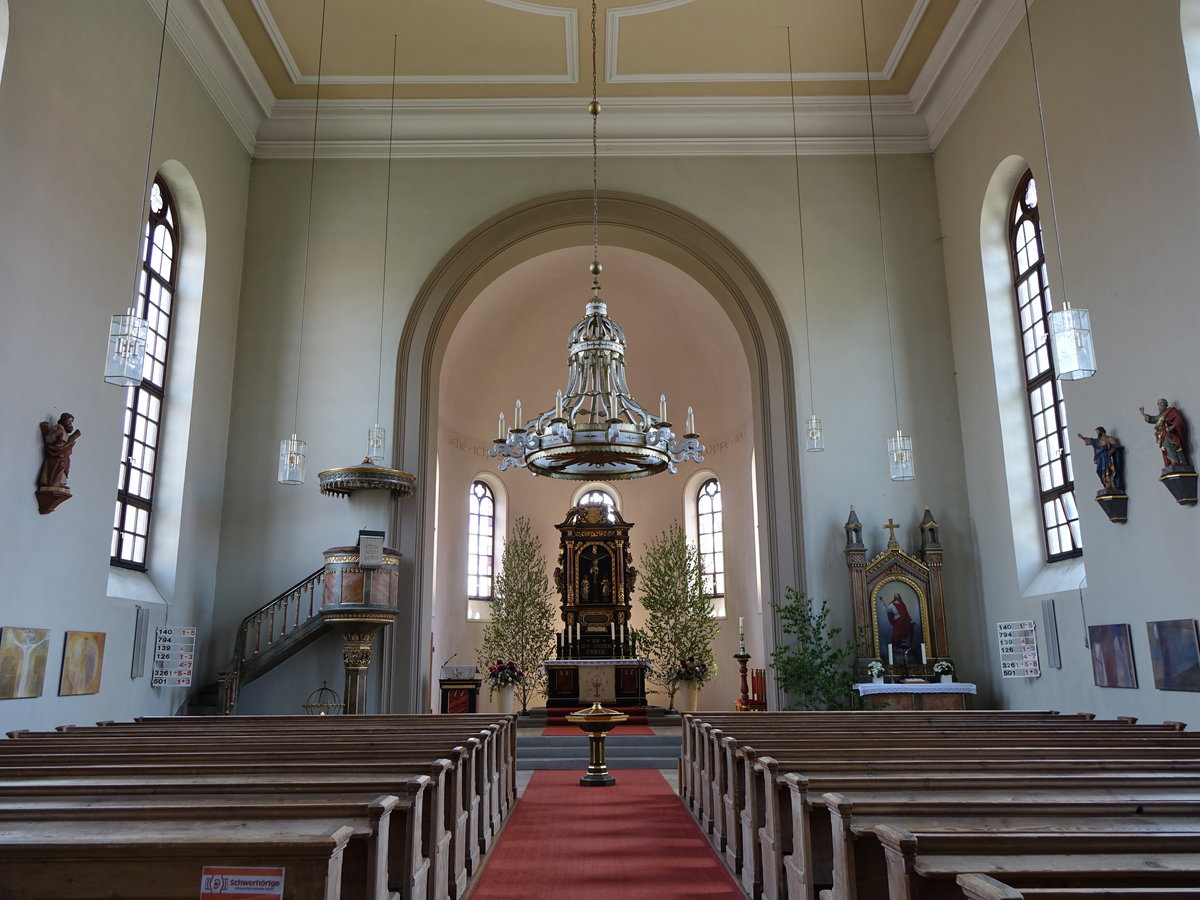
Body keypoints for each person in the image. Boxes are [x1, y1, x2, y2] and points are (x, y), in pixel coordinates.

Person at [1139, 399, 1191, 470]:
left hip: (1171, 433)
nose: (1160, 405)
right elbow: (1153, 419)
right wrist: (1143, 414)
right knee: (1166, 447)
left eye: (1162, 403)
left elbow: (1178, 420)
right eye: (1159, 404)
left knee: (1174, 444)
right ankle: (1173, 461)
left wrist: (1172, 427)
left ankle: (1177, 461)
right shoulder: (1160, 416)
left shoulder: (1171, 411)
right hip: (1162, 434)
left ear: (1166, 404)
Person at [38, 413, 82, 488]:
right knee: (60, 465)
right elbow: (48, 439)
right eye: (68, 421)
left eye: (71, 421)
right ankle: (53, 484)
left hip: (64, 453)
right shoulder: (59, 428)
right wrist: (56, 435)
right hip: (56, 452)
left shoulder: (65, 431)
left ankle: (60, 483)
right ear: (63, 421)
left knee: (65, 466)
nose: (70, 424)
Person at [1077, 427, 1124, 493]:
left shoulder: (1109, 439)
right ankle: (1106, 484)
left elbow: (1116, 446)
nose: (1097, 433)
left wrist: (1111, 451)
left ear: (1101, 431)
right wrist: (1082, 438)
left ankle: (1112, 484)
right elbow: (1091, 441)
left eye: (1097, 432)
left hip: (1107, 457)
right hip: (1100, 458)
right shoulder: (1097, 441)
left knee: (1109, 470)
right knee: (1100, 471)